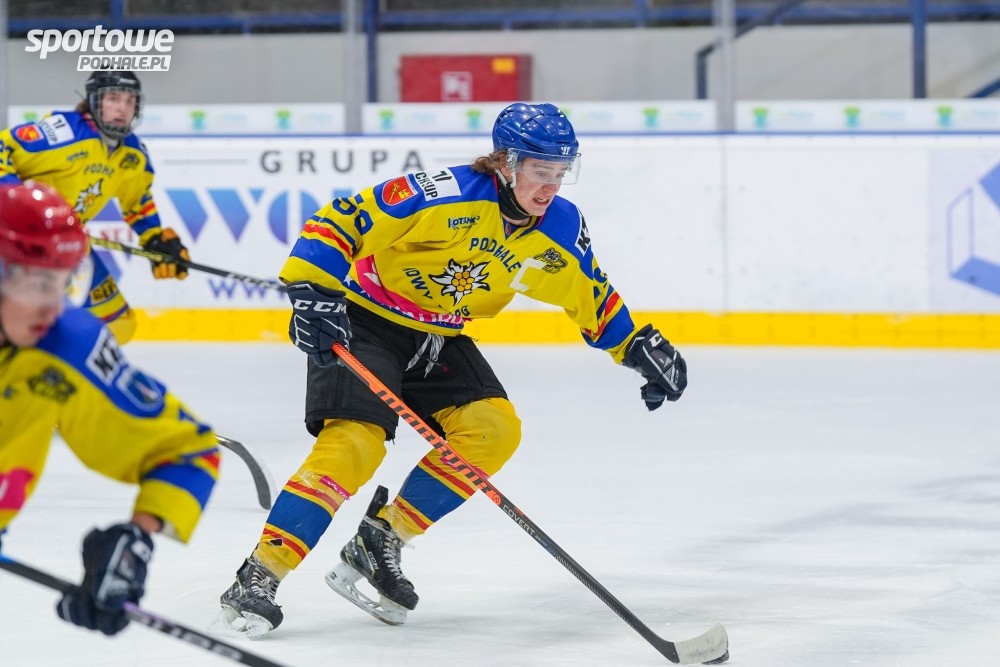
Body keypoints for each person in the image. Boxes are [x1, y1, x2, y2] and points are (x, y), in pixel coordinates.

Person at [217, 102, 687, 636]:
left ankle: (382, 538)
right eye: (540, 171)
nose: (550, 187)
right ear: (505, 162)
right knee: (354, 444)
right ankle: (260, 574)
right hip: (366, 322)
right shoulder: (444, 193)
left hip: (440, 336)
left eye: (561, 172)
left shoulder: (559, 226)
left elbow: (589, 291)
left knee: (493, 430)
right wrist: (314, 289)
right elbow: (342, 219)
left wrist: (635, 346)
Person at [0, 181, 220, 637]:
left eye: (63, 283)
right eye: (39, 283)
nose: (52, 307)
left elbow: (188, 452)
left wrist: (135, 541)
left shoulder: (66, 348)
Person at [0, 70, 190, 344]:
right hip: (14, 245)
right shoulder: (64, 133)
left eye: (129, 101)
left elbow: (137, 201)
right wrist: (15, 201)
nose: (122, 108)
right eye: (113, 99)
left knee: (119, 325)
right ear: (94, 101)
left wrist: (155, 239)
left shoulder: (133, 155)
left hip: (66, 247)